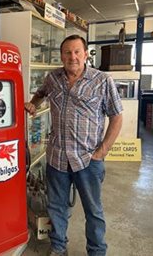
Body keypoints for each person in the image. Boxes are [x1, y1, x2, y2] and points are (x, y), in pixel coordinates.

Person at [25, 35, 123, 256]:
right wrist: (33, 104)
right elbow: (41, 93)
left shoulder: (101, 80)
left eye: (77, 51)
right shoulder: (53, 78)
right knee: (56, 207)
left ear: (86, 54)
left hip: (88, 160)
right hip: (57, 157)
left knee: (93, 211)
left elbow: (117, 117)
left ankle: (97, 251)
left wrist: (102, 151)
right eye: (67, 52)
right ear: (61, 56)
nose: (72, 57)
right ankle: (59, 247)